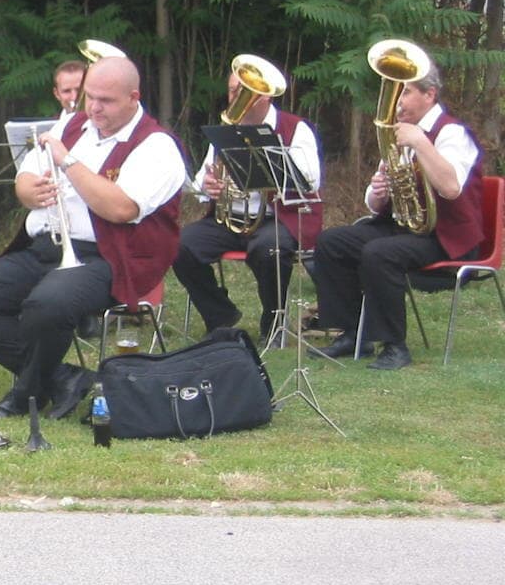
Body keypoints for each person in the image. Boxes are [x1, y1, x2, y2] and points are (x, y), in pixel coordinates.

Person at [0, 56, 184, 420]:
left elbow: (121, 208)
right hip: (45, 247)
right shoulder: (74, 124)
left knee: (46, 306)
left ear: (134, 97)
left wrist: (69, 163)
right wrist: (31, 192)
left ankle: (26, 392)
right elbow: (25, 177)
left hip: (109, 258)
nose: (94, 107)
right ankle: (62, 379)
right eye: (90, 96)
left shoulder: (156, 146)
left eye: (105, 100)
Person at [309, 60, 484, 370]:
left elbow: (451, 187)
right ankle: (352, 334)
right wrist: (380, 190)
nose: (398, 101)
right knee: (331, 241)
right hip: (405, 228)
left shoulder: (452, 133)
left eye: (406, 92)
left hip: (445, 236)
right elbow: (373, 206)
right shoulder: (398, 135)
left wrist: (419, 141)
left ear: (429, 95)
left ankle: (395, 347)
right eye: (397, 93)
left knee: (380, 253)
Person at [172, 64, 322, 341]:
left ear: (266, 95)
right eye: (232, 91)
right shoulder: (225, 131)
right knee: (180, 246)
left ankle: (273, 322)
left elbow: (311, 181)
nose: (235, 98)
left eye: (244, 92)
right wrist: (208, 186)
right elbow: (200, 183)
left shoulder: (295, 129)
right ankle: (220, 315)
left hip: (277, 218)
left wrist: (269, 171)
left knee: (269, 249)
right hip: (230, 218)